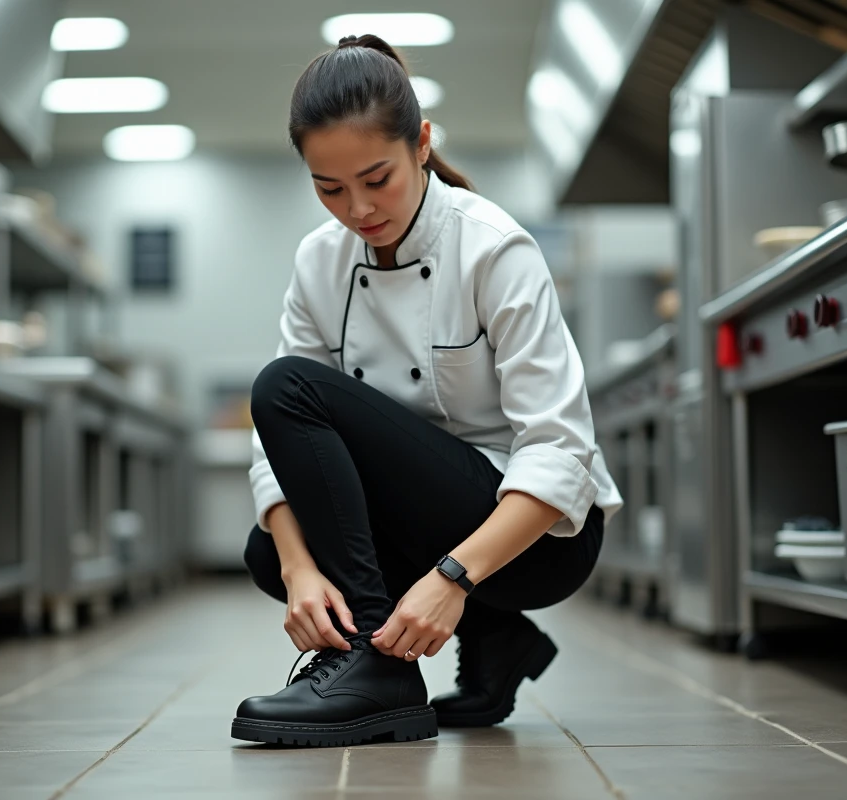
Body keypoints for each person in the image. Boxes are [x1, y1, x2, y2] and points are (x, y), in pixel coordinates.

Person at [231, 34, 622, 748]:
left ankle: (372, 674)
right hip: (431, 519)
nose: (357, 208)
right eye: (329, 188)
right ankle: (494, 642)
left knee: (287, 386)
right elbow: (275, 451)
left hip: (538, 537)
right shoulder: (320, 262)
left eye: (376, 178)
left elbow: (561, 450)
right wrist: (296, 570)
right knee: (269, 551)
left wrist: (451, 580)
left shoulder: (493, 248)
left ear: (421, 144)